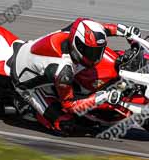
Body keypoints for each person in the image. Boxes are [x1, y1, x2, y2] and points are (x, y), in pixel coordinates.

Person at [10, 18, 140, 133]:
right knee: (65, 124)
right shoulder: (64, 71)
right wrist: (103, 97)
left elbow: (105, 29)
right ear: (78, 45)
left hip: (34, 53)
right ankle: (28, 108)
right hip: (25, 85)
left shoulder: (81, 28)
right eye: (91, 52)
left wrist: (127, 31)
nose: (95, 56)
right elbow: (70, 105)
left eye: (98, 51)